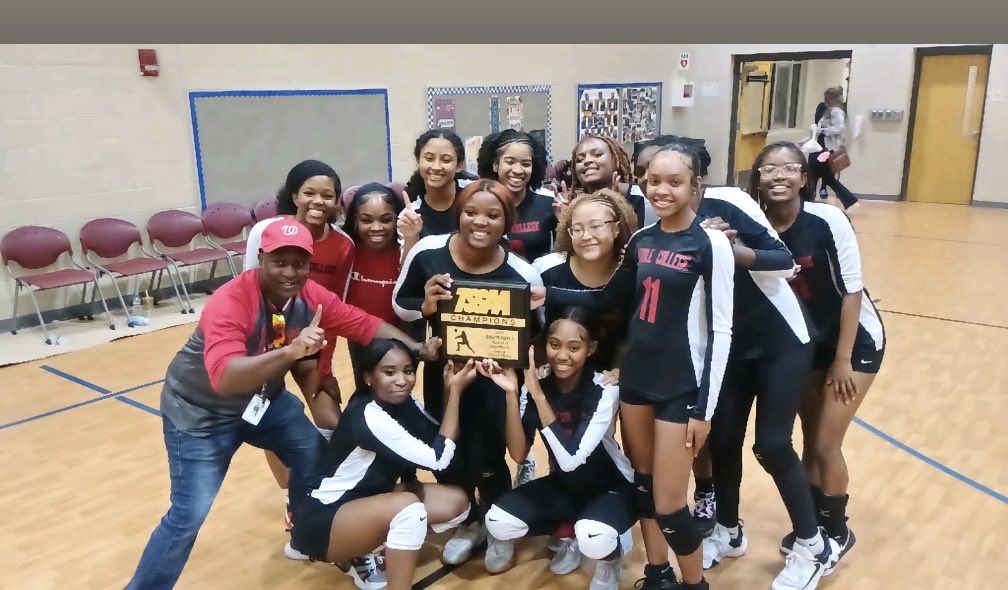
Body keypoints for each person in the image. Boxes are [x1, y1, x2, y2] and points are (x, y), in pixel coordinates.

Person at [124, 220, 440, 590]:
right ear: (261, 259)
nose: (290, 272)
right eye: (280, 261)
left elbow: (363, 324)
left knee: (317, 460)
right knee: (188, 515)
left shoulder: (311, 297)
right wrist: (292, 351)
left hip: (264, 401)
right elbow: (225, 378)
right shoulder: (230, 301)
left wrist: (416, 348)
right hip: (200, 415)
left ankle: (311, 538)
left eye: (299, 262)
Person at [542, 145, 735, 590]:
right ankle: (656, 572)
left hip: (681, 389)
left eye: (674, 182)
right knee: (645, 490)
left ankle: (694, 585)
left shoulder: (711, 243)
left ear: (695, 186)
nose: (662, 190)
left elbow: (722, 332)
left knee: (670, 505)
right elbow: (611, 297)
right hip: (636, 383)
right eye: (653, 181)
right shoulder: (642, 240)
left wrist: (704, 409)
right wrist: (547, 297)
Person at [392, 179, 544, 568]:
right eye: (470, 212)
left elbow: (537, 331)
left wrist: (523, 337)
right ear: (458, 214)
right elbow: (400, 305)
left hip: (496, 382)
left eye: (493, 215)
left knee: (491, 452)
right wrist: (425, 306)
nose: (480, 222)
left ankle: (497, 525)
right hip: (447, 377)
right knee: (451, 450)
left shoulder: (523, 273)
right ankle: (469, 523)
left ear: (506, 221)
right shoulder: (428, 252)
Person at [755, 141, 885, 566]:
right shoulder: (756, 226)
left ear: (804, 179)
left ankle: (837, 530)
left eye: (788, 168)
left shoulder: (828, 219)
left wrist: (843, 359)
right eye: (768, 169)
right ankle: (813, 525)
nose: (778, 176)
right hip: (804, 346)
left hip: (854, 341)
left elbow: (851, 290)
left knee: (827, 441)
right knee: (808, 441)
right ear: (757, 179)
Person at [288, 338, 473, 590]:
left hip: (366, 501)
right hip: (325, 518)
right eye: (389, 372)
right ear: (368, 377)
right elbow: (439, 460)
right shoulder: (367, 415)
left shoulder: (405, 404)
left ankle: (367, 544)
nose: (402, 380)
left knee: (457, 503)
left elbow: (438, 439)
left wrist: (450, 390)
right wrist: (457, 394)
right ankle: (357, 555)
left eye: (408, 371)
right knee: (409, 508)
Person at [482, 308, 636, 590]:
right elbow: (518, 454)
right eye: (554, 345)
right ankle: (570, 528)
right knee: (497, 521)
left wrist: (539, 396)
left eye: (574, 347)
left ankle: (609, 554)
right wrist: (511, 393)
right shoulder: (535, 386)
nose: (562, 355)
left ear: (591, 348)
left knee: (595, 537)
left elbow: (570, 460)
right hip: (566, 486)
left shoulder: (604, 389)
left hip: (612, 486)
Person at [243, 160, 354, 530]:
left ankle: (335, 492)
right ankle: (292, 500)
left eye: (328, 194)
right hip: (267, 345)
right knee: (270, 421)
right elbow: (247, 293)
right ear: (294, 195)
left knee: (331, 421)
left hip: (312, 346)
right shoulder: (265, 231)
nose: (318, 201)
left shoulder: (343, 245)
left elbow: (335, 309)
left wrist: (325, 366)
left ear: (338, 201)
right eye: (309, 192)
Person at [342, 183, 408, 390]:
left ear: (397, 219)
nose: (377, 227)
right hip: (359, 336)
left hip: (400, 334)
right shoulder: (347, 249)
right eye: (366, 220)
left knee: (397, 390)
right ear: (355, 220)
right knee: (364, 388)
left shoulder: (405, 250)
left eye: (386, 219)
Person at [477, 129, 557, 262]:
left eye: (526, 164)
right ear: (496, 165)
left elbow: (562, 254)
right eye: (510, 162)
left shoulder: (549, 204)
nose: (518, 170)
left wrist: (566, 220)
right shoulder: (478, 204)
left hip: (536, 281)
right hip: (492, 282)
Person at [557, 134, 653, 228]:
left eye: (597, 154)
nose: (587, 161)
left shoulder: (643, 197)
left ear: (616, 160)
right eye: (580, 160)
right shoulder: (577, 205)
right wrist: (567, 221)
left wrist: (618, 208)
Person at [403, 129, 470, 238]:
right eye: (429, 158)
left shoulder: (475, 193)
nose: (436, 167)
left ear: (459, 165)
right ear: (418, 160)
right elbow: (409, 255)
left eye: (446, 160)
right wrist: (411, 235)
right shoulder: (411, 213)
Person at [812, 87, 858, 210]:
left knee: (816, 173)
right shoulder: (829, 110)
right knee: (823, 175)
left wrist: (822, 130)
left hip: (826, 148)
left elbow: (839, 128)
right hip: (822, 146)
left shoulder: (836, 111)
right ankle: (850, 200)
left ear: (830, 99)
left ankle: (808, 200)